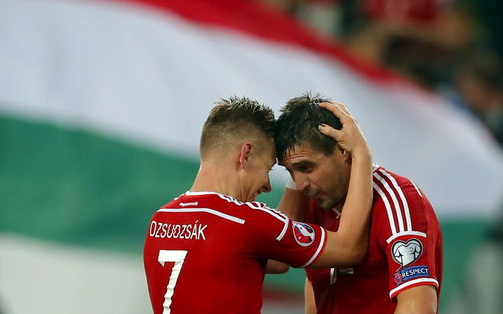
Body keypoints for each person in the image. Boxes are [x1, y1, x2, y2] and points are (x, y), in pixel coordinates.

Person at [143, 96, 373, 313]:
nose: (267, 185)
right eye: (268, 168)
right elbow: (348, 248)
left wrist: (296, 176)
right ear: (246, 154)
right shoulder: (245, 220)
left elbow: (277, 259)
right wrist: (361, 153)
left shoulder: (160, 219)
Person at [273, 93, 442, 314]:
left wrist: (361, 151)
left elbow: (417, 306)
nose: (300, 184)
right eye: (290, 171)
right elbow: (313, 281)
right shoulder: (312, 205)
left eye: (306, 168)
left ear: (343, 149)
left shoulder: (398, 200)